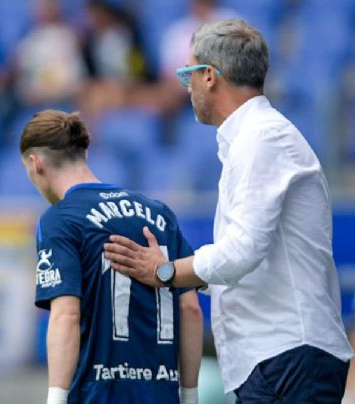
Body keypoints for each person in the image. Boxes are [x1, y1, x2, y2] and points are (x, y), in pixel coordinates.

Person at [103, 19, 353, 403]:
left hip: (287, 355)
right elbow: (251, 258)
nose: (186, 87)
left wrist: (164, 271)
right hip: (277, 356)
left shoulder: (262, 139)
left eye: (187, 74)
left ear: (209, 76)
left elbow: (241, 252)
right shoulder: (254, 139)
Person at [20, 109, 203, 403]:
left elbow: (66, 314)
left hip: (98, 394)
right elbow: (190, 309)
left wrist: (55, 398)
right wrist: (190, 394)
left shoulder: (60, 219)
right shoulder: (159, 213)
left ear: (35, 163)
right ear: (85, 153)